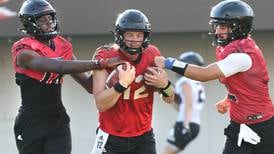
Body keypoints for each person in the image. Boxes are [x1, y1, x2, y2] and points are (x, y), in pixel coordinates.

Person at [154, 0, 274, 154]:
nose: (217, 31)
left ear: (238, 27)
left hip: (262, 128)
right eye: (217, 26)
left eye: (222, 26)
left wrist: (169, 62)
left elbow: (204, 75)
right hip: (240, 126)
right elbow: (247, 84)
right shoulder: (237, 48)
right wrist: (229, 99)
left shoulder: (242, 55)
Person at [12, 0, 123, 153]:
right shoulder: (24, 51)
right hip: (31, 123)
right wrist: (101, 63)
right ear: (29, 23)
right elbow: (60, 66)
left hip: (58, 121)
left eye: (50, 18)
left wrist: (111, 69)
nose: (49, 23)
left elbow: (89, 85)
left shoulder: (61, 46)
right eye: (42, 19)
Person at [91, 9, 174, 154]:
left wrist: (165, 85)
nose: (135, 39)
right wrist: (121, 85)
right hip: (111, 137)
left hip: (144, 137)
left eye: (139, 34)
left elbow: (169, 98)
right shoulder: (105, 55)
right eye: (129, 34)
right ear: (120, 35)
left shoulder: (152, 54)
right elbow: (100, 104)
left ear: (145, 36)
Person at [163, 51, 206, 154]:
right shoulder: (197, 83)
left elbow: (189, 104)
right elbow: (183, 107)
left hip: (186, 123)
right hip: (194, 124)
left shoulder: (185, 81)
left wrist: (185, 125)